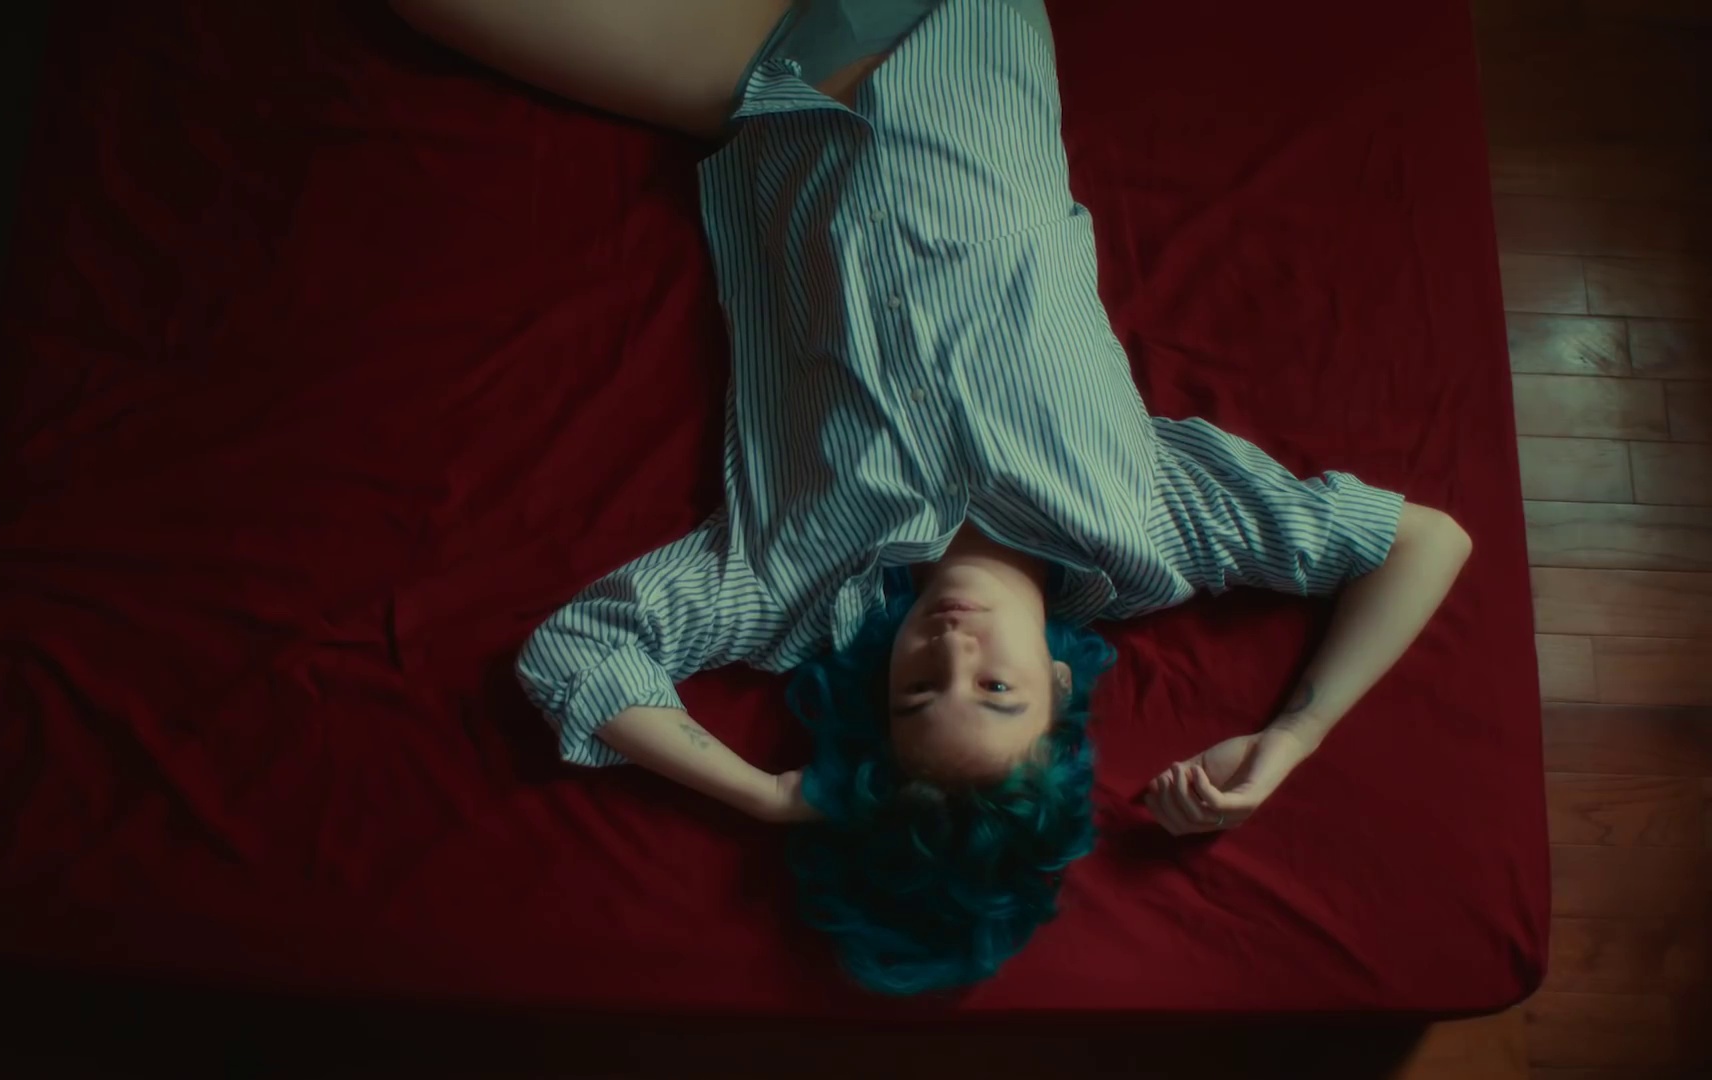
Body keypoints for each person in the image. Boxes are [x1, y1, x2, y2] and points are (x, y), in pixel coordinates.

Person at [392, 0, 1474, 993]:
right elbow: (1424, 543)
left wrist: (771, 795)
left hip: (773, 85)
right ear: (1057, 686)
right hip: (949, 27)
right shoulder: (1153, 526)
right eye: (996, 689)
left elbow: (577, 653)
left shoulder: (790, 579)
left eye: (917, 694)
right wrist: (1294, 738)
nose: (952, 647)